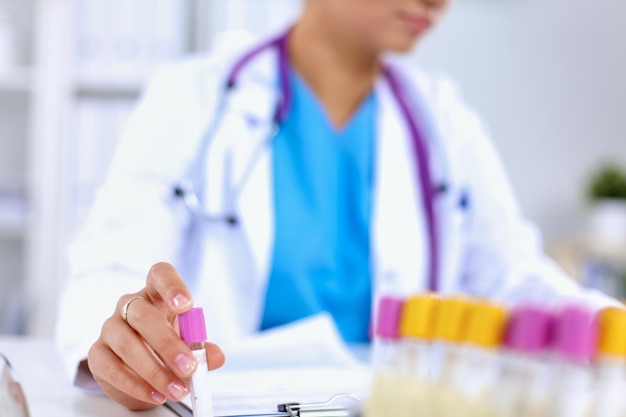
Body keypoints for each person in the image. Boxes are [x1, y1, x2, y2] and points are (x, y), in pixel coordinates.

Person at [55, 0, 620, 411]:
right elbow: (110, 267)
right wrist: (121, 341)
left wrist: (606, 323)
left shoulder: (443, 119)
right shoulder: (194, 96)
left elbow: (516, 278)